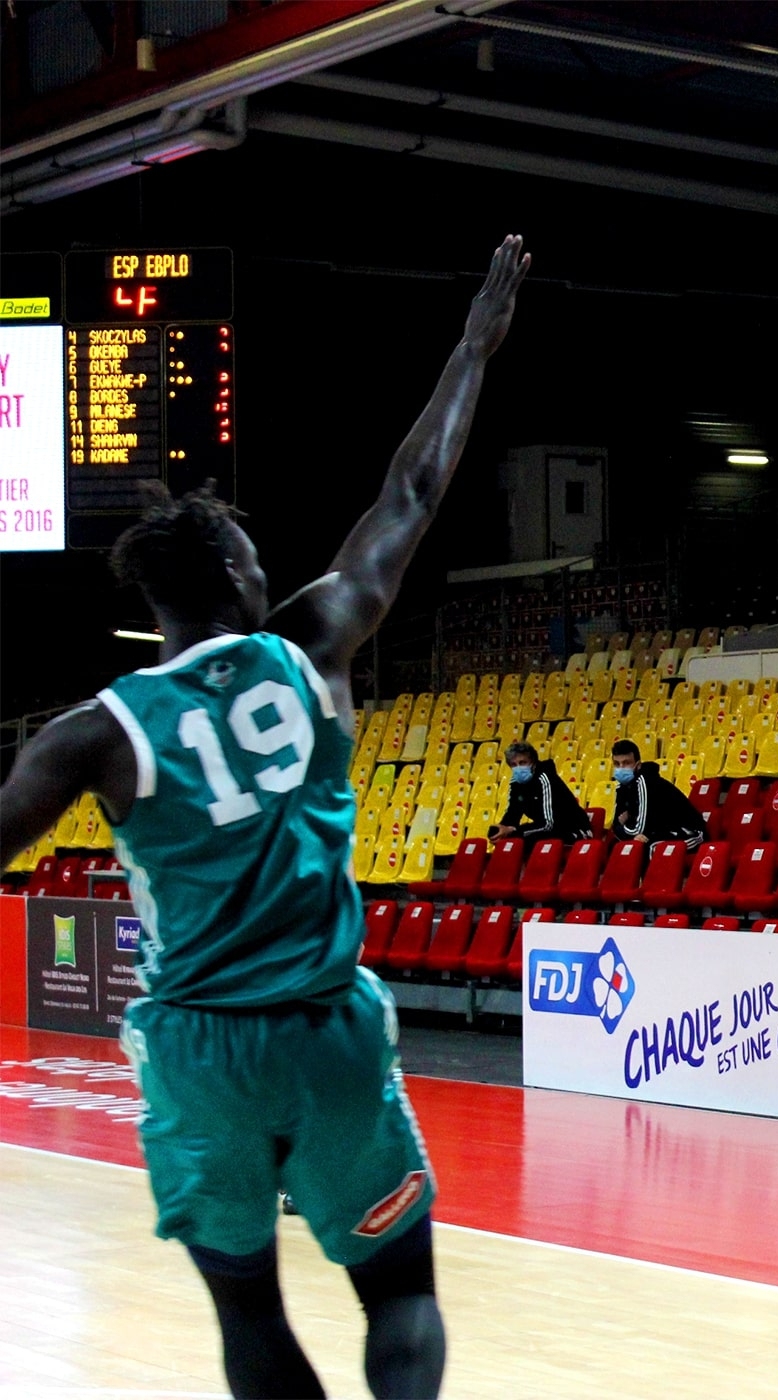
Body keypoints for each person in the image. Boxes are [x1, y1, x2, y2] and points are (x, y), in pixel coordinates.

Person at [0, 236, 529, 1399]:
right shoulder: (312, 642)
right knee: (401, 1293)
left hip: (198, 1050)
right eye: (249, 547)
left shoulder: (91, 731)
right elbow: (411, 492)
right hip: (323, 1025)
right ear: (237, 576)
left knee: (248, 1311)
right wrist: (472, 347)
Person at [609, 738, 707, 844]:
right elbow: (615, 826)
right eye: (617, 764)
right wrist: (626, 830)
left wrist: (625, 825)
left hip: (689, 831)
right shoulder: (621, 788)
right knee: (616, 846)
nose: (621, 768)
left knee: (650, 846)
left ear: (638, 765)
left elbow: (638, 829)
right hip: (660, 831)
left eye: (626, 763)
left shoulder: (645, 781)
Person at [493, 741, 592, 843]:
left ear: (533, 762)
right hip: (550, 829)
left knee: (525, 839)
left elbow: (548, 824)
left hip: (574, 829)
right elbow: (513, 812)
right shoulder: (516, 783)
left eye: (522, 763)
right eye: (514, 765)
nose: (518, 768)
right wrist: (502, 828)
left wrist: (513, 830)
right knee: (508, 840)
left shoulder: (545, 778)